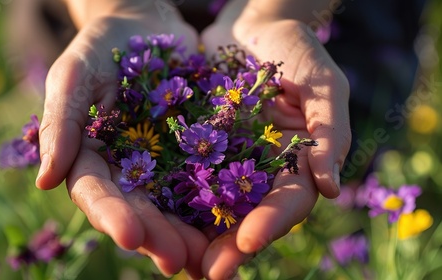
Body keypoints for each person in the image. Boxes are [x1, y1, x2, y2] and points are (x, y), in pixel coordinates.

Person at [34, 0, 351, 278]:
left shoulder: (215, 136)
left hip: (330, 27)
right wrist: (117, 7)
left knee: (346, 185)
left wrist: (272, 12)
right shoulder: (194, 138)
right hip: (80, 13)